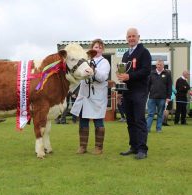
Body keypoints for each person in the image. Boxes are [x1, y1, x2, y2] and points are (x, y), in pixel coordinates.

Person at [71, 38, 111, 155]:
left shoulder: (104, 62)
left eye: (99, 47)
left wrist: (94, 71)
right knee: (83, 120)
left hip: (97, 95)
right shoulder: (86, 61)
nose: (97, 49)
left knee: (98, 120)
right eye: (95, 47)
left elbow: (103, 77)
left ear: (102, 49)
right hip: (85, 94)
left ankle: (98, 147)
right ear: (92, 49)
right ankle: (83, 146)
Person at [117, 28, 151, 160]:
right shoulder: (125, 55)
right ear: (126, 38)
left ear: (138, 37)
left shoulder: (144, 52)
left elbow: (146, 71)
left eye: (133, 36)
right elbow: (124, 75)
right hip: (127, 92)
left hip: (139, 91)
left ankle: (142, 149)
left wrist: (129, 77)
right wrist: (120, 90)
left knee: (139, 120)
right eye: (129, 36)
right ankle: (134, 146)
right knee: (130, 121)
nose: (131, 38)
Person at [146, 59, 172, 133]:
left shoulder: (167, 74)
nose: (159, 66)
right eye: (158, 64)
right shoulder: (151, 73)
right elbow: (148, 85)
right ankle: (147, 129)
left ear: (163, 65)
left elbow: (169, 86)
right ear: (156, 65)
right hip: (152, 98)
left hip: (162, 98)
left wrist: (168, 97)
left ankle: (158, 129)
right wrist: (145, 94)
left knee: (160, 114)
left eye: (160, 65)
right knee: (150, 114)